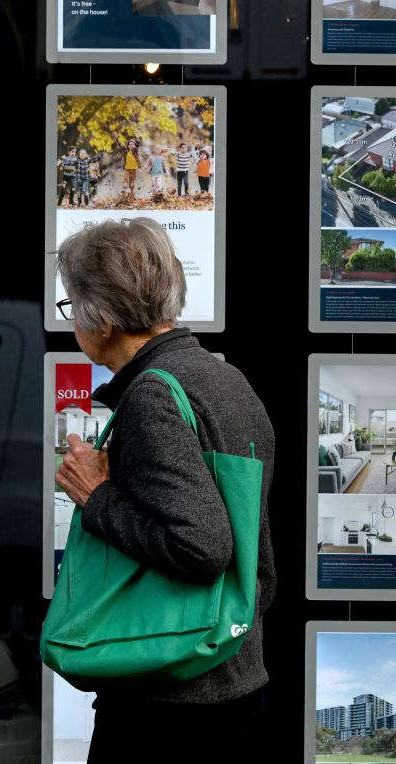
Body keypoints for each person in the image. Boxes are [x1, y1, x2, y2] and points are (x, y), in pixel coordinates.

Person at [53, 217, 276, 761]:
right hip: (234, 677)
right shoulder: (224, 377)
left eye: (70, 306)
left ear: (99, 318)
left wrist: (96, 496)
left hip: (169, 706)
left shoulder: (153, 395)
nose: (71, 320)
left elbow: (201, 545)